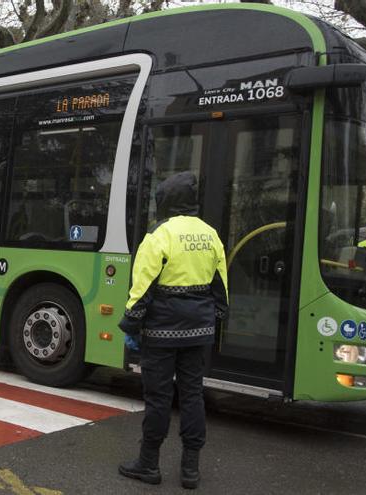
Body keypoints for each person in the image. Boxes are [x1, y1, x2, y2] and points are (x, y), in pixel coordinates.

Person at [117, 171, 228, 490]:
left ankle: (148, 464)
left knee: (159, 398)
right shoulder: (211, 235)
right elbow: (221, 289)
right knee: (193, 395)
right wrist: (213, 323)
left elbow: (142, 289)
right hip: (199, 332)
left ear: (166, 200)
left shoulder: (159, 236)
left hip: (162, 332)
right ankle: (190, 470)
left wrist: (131, 325)